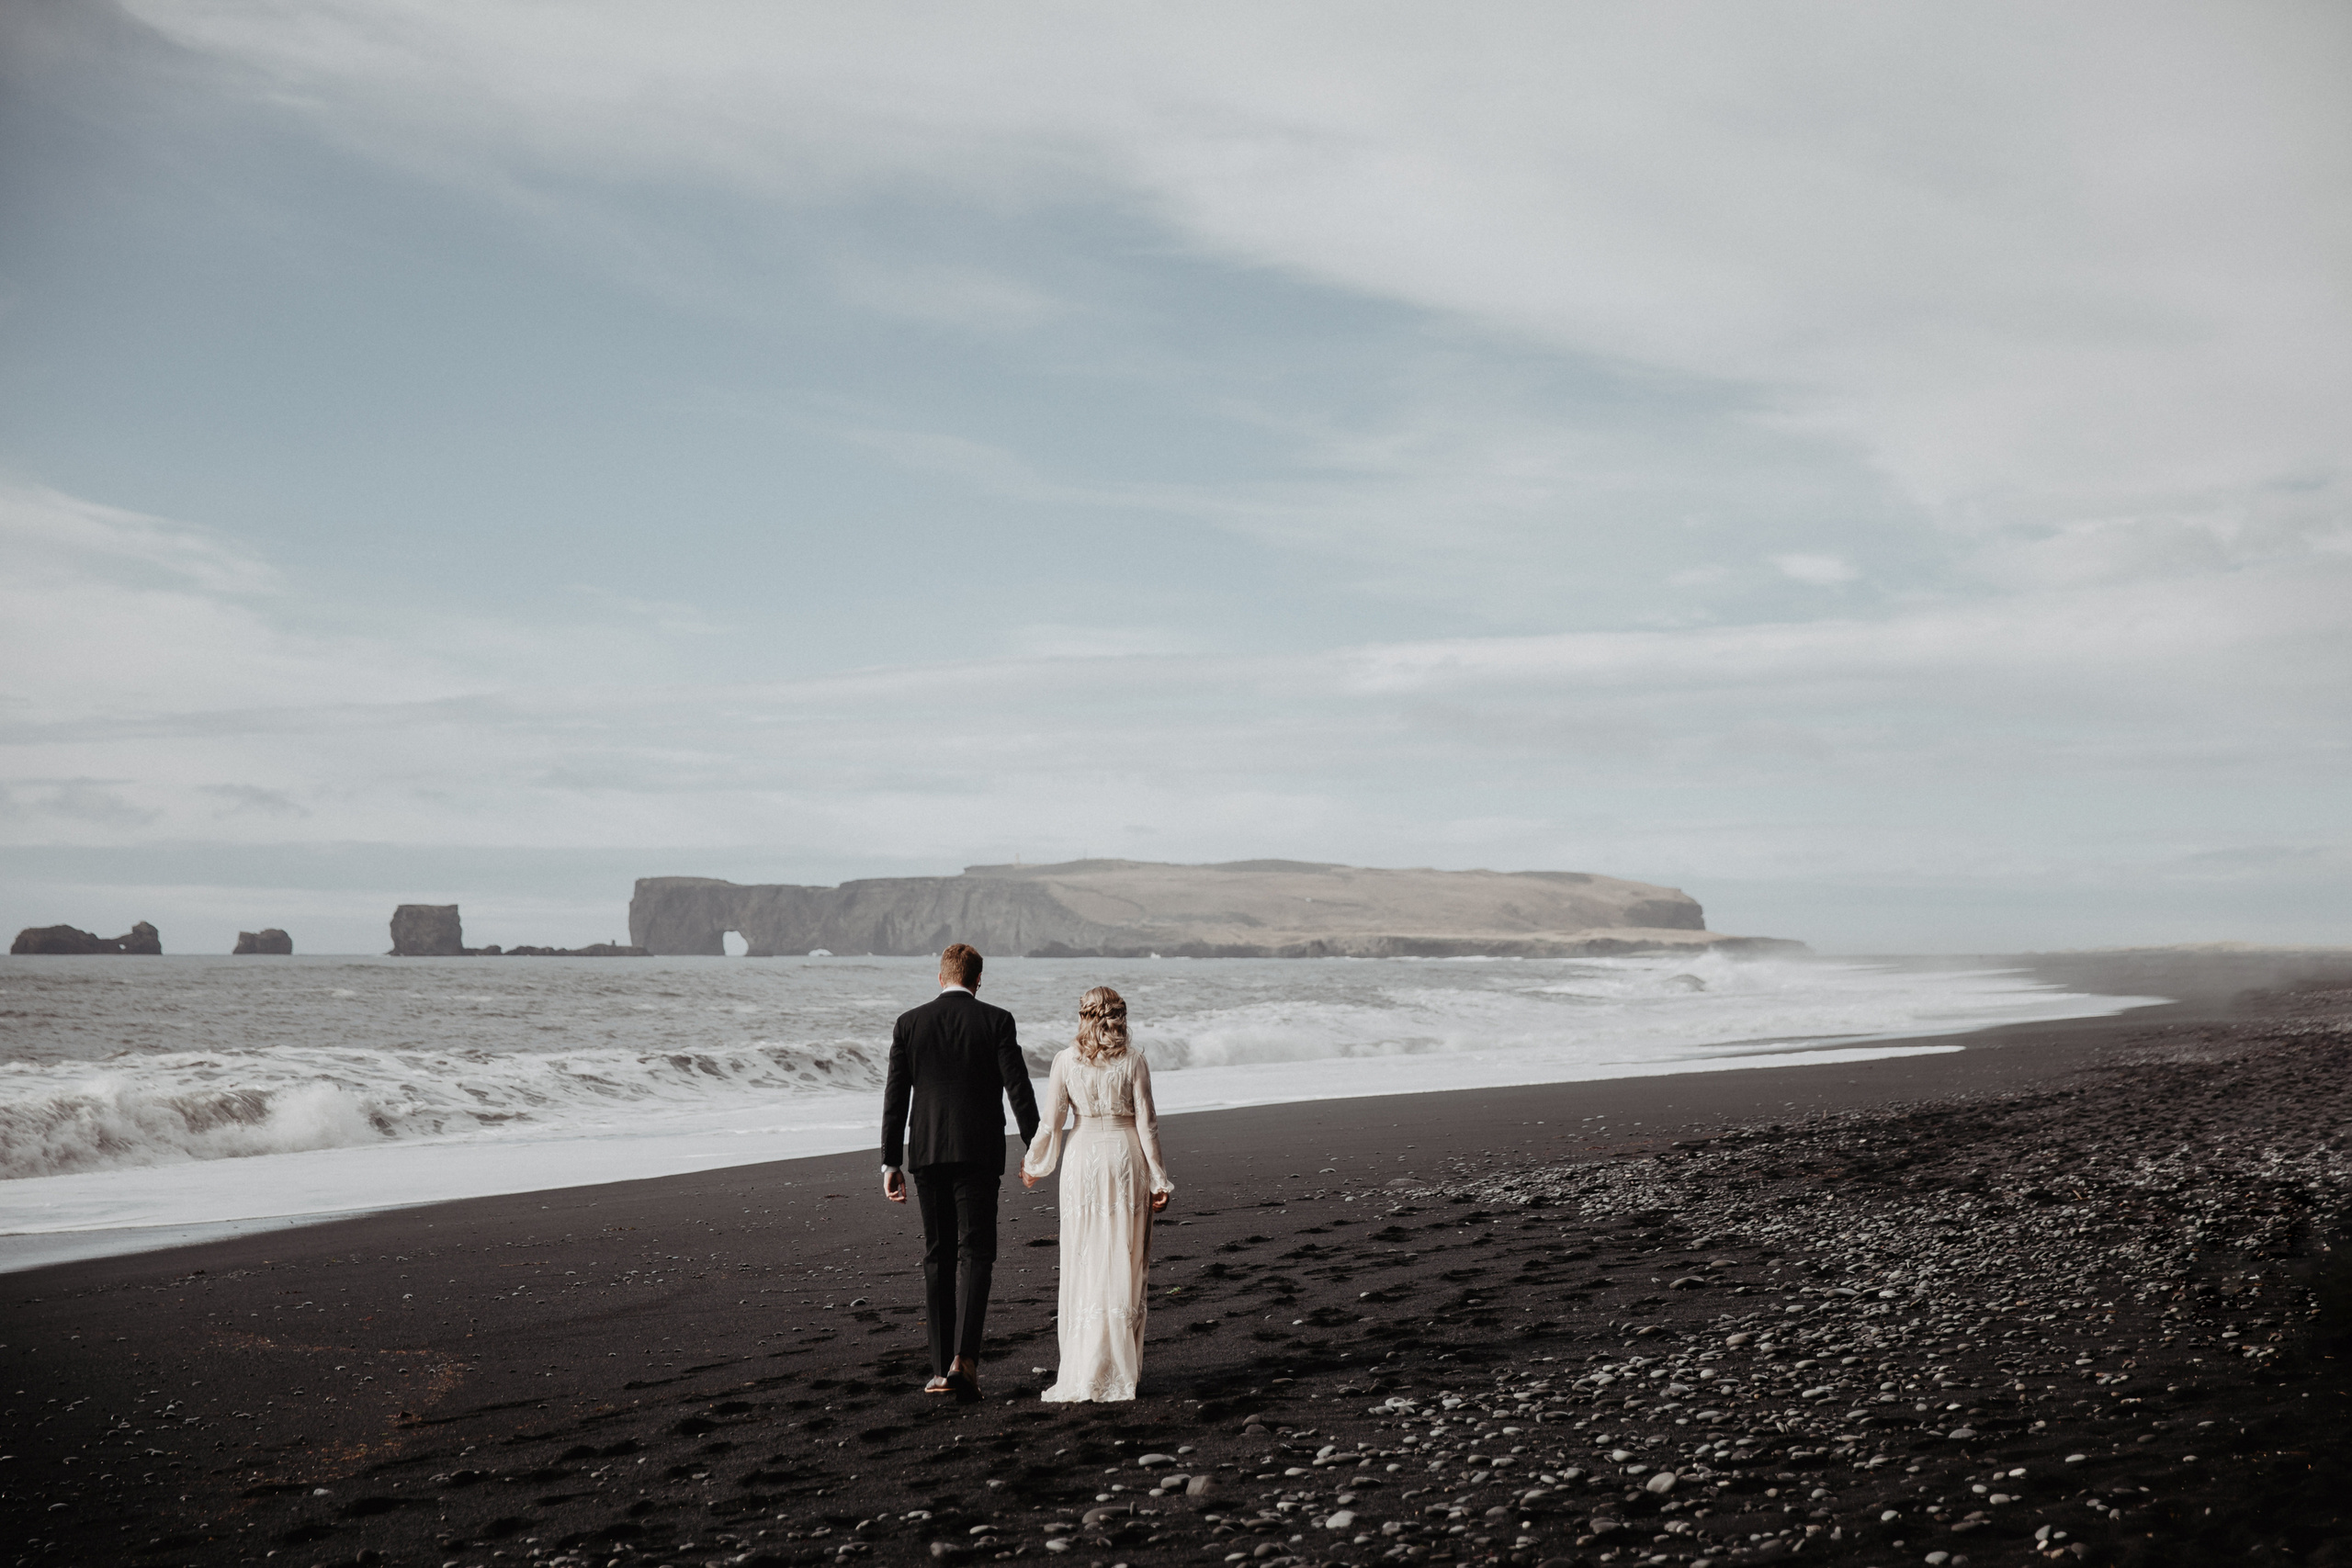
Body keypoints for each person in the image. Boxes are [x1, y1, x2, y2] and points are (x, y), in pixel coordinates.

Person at [880, 942, 1041, 1398]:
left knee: (937, 1256)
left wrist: (891, 1160)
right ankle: (964, 1362)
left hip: (926, 1153)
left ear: (940, 977)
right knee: (976, 1254)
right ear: (978, 981)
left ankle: (937, 1370)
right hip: (978, 1152)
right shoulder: (996, 1020)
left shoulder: (908, 1024)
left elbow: (895, 1099)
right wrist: (1036, 1147)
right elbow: (1018, 1088)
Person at [1020, 986, 1173, 1402]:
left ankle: (1084, 1365)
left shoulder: (1065, 1061)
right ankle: (1119, 1368)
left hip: (1083, 1160)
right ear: (1120, 1017)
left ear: (1083, 1016)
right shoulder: (1135, 1060)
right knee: (1124, 1257)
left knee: (1084, 1257)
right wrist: (1159, 1178)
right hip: (1126, 1159)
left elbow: (1051, 1123)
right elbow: (1148, 1124)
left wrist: (1035, 1164)